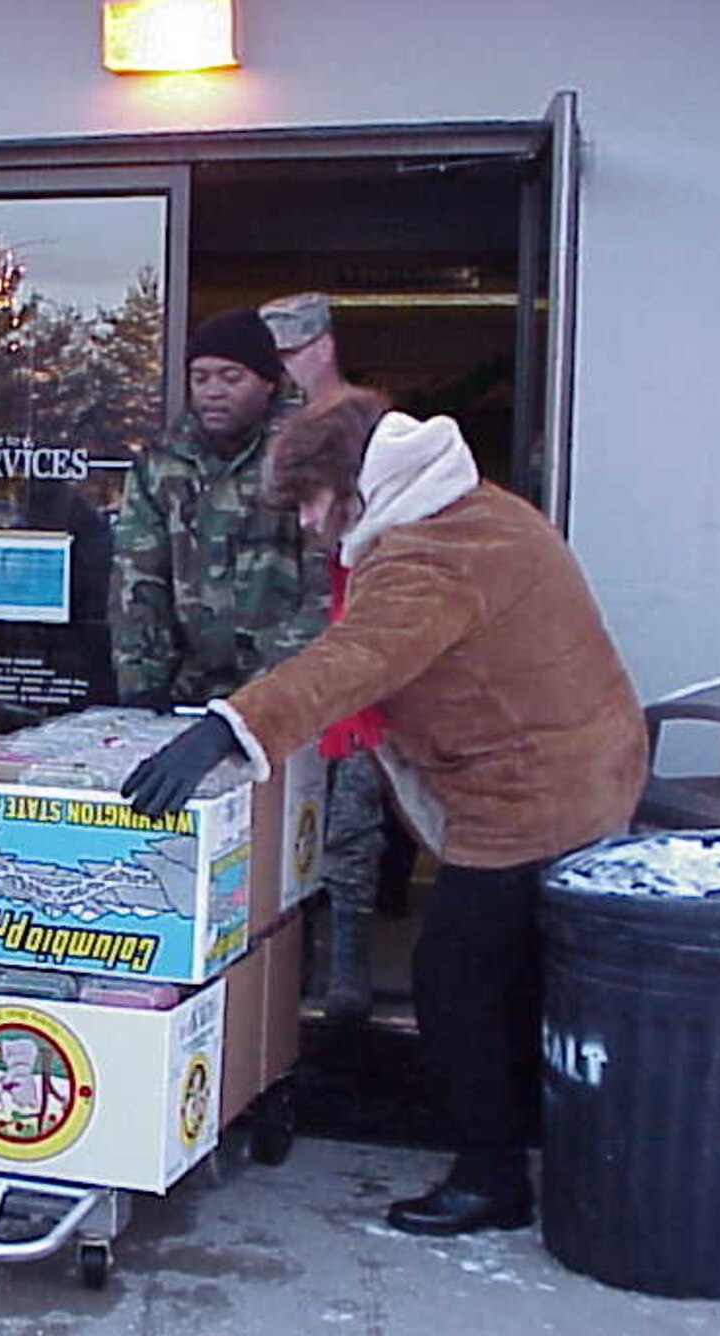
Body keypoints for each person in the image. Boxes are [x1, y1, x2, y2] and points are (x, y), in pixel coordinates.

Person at [121, 387, 647, 1238]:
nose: (306, 527)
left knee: (458, 982)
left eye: (309, 504)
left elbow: (354, 659)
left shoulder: (429, 553)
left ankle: (492, 1177)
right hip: (575, 767)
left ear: (348, 484)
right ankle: (536, 1141)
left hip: (530, 792)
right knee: (518, 978)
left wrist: (224, 730)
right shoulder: (474, 510)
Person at [258, 291, 388, 1020]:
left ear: (324, 345)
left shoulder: (371, 433)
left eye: (294, 352)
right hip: (290, 657)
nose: (286, 369)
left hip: (362, 649)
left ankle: (351, 969)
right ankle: (292, 969)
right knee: (293, 823)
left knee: (353, 823)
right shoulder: (280, 437)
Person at [108, 307, 326, 713]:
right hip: (190, 694)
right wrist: (141, 686)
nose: (213, 391)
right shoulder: (162, 464)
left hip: (288, 699)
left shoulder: (306, 456)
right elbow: (137, 577)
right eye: (201, 377)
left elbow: (326, 587)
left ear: (267, 383)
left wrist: (274, 693)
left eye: (231, 377)